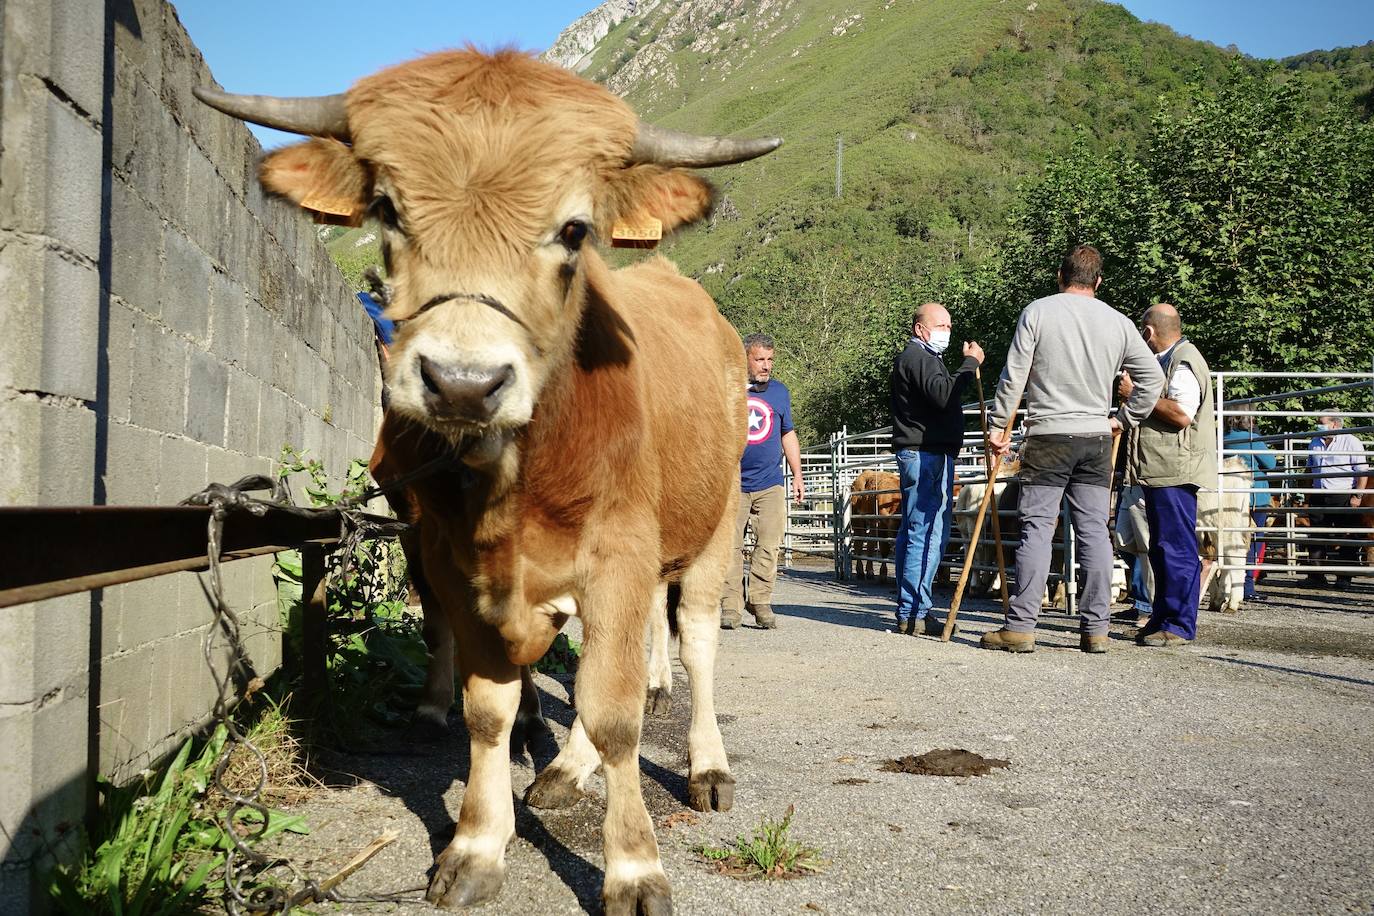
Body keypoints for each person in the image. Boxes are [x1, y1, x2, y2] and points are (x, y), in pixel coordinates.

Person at [983, 244, 1165, 654]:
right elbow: (1152, 380)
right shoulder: (1118, 322)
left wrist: (998, 429)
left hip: (1048, 436)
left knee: (1037, 529)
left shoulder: (1039, 311)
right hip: (1096, 438)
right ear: (1098, 282)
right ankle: (1095, 630)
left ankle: (1021, 627)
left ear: (1060, 276)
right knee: (1094, 533)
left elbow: (1013, 378)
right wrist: (1121, 418)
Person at [1117, 303, 1214, 647]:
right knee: (1161, 548)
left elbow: (1181, 413)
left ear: (1148, 332)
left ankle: (1178, 625)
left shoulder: (1183, 361)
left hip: (1175, 469)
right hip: (1161, 469)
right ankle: (1162, 618)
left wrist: (1136, 395)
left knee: (1175, 548)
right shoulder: (1171, 360)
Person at [889, 303, 984, 636]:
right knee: (927, 531)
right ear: (920, 329)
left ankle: (909, 609)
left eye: (948, 325)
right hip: (926, 455)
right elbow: (944, 396)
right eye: (939, 325)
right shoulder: (919, 359)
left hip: (924, 453)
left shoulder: (924, 359)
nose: (947, 331)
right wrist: (971, 364)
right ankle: (915, 611)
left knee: (914, 530)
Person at [721, 333, 804, 629]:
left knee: (769, 544)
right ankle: (730, 605)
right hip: (733, 484)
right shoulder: (729, 390)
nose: (766, 365)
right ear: (745, 359)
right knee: (729, 547)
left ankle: (760, 601)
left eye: (770, 359)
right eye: (759, 359)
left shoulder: (780, 393)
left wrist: (797, 474)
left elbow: (787, 433)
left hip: (770, 482)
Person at [1304, 414, 1370, 586]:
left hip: (1344, 493)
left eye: (1321, 423)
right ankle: (1316, 575)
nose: (1318, 426)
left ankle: (1344, 577)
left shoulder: (1351, 441)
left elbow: (1362, 471)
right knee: (1316, 536)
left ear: (1334, 424)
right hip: (1319, 493)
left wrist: (1358, 496)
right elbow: (1309, 468)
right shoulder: (1315, 442)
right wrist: (1306, 492)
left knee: (1346, 536)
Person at [1223, 414, 1277, 600]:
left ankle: (1227, 585)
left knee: (1230, 540)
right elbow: (1271, 463)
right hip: (1255, 496)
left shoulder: (1223, 439)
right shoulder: (1253, 440)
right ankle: (1247, 587)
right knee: (1253, 541)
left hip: (1229, 496)